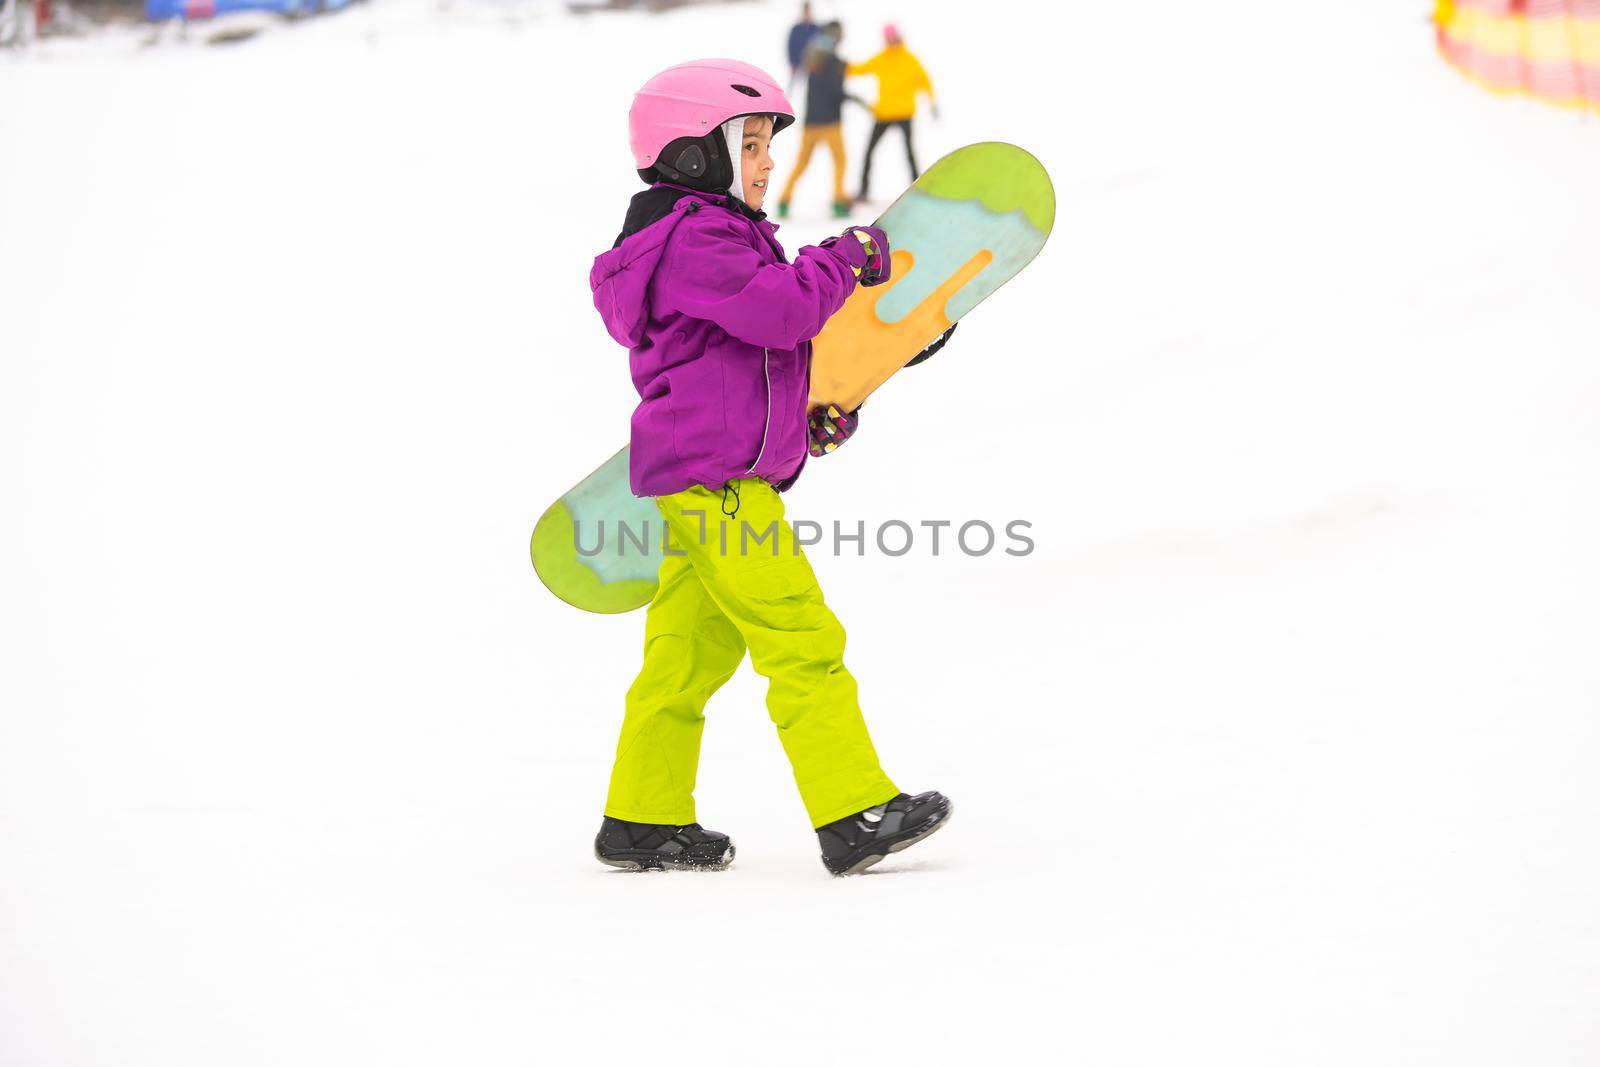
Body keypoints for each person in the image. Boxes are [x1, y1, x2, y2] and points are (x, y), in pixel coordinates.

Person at [588, 58, 953, 876]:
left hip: (701, 478)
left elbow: (752, 363)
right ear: (692, 154)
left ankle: (641, 818)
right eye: (748, 143)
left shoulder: (707, 243)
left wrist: (811, 421)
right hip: (719, 489)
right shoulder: (696, 238)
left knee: (685, 658)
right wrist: (845, 259)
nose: (764, 162)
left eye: (765, 146)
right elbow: (783, 311)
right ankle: (853, 808)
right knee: (800, 635)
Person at [848, 23, 937, 202]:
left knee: (909, 152)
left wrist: (932, 101)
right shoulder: (882, 58)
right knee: (870, 151)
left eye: (893, 37)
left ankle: (918, 188)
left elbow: (924, 80)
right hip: (884, 114)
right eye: (888, 37)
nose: (891, 40)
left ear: (899, 36)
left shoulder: (910, 58)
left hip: (904, 113)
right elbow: (860, 69)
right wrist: (839, 65)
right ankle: (864, 190)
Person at [777, 21, 855, 219]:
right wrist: (849, 97)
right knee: (840, 161)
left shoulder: (813, 60)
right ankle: (838, 201)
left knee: (801, 163)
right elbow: (834, 92)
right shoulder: (834, 61)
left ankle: (784, 201)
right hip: (830, 123)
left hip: (811, 123)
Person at [784, 2, 820, 89]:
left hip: (811, 64)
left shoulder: (815, 28)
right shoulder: (796, 28)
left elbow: (819, 46)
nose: (806, 14)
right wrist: (792, 62)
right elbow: (790, 46)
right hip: (797, 63)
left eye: (808, 12)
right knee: (792, 86)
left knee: (811, 87)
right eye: (805, 12)